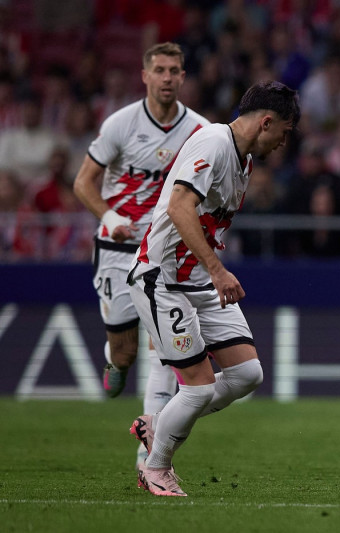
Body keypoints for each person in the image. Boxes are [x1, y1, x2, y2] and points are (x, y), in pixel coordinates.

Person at [127, 80, 300, 496]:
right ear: (266, 122)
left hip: (197, 282)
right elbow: (178, 207)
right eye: (285, 131)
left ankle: (161, 421)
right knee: (200, 386)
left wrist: (210, 273)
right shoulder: (214, 144)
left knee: (246, 374)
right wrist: (218, 270)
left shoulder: (244, 162)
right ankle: (155, 467)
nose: (283, 142)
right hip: (162, 279)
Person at [72, 42, 210, 471]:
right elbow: (83, 183)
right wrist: (109, 215)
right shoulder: (121, 124)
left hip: (162, 248)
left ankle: (147, 446)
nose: (168, 77)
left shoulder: (200, 130)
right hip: (116, 246)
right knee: (127, 350)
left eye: (175, 70)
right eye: (161, 70)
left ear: (183, 77)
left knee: (164, 349)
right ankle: (115, 361)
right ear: (146, 76)